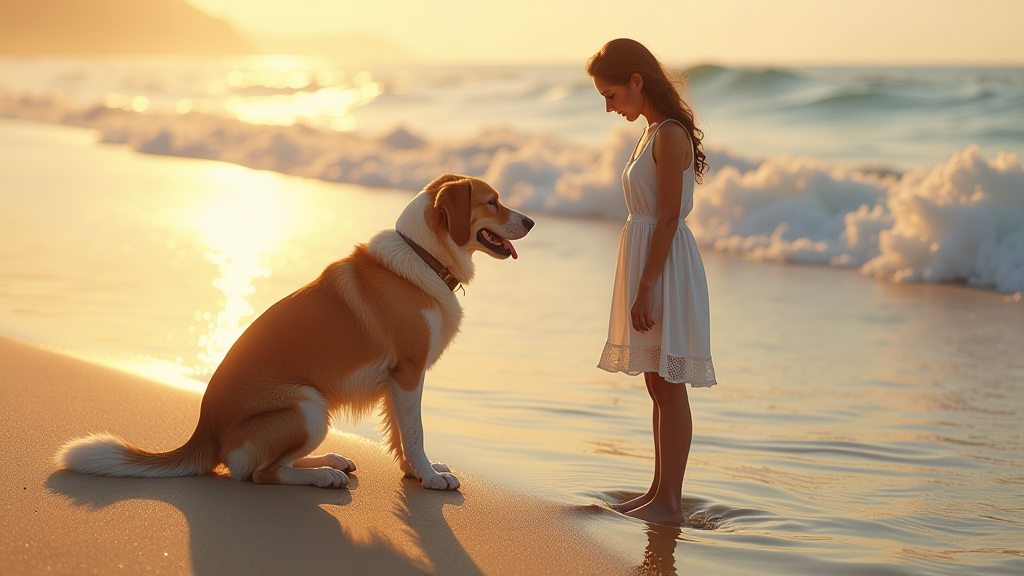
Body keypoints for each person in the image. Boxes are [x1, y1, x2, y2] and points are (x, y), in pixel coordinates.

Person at [589, 38, 717, 525]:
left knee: (670, 384)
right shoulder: (650, 131)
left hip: (665, 267)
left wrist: (645, 288)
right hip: (650, 261)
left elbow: (666, 219)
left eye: (612, 94)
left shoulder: (667, 134)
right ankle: (656, 492)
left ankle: (670, 502)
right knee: (656, 385)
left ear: (637, 82)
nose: (609, 106)